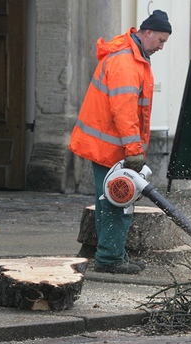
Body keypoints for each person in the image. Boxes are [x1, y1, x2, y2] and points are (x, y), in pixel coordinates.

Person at [68, 10, 172, 274]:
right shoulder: (126, 62)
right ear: (147, 33)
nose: (161, 47)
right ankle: (111, 259)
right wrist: (134, 151)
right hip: (113, 148)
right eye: (160, 40)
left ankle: (111, 254)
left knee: (109, 201)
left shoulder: (131, 56)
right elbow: (124, 111)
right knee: (120, 201)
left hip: (108, 146)